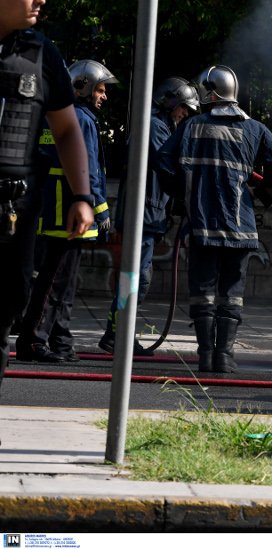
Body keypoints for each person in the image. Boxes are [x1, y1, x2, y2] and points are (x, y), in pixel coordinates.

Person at [157, 65, 272, 374]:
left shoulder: (191, 127)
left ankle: (205, 355)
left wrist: (182, 194)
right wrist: (263, 193)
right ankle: (225, 357)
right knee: (232, 294)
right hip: (240, 227)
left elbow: (163, 161)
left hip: (202, 224)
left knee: (202, 290)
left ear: (211, 92)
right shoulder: (255, 129)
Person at [0, 0, 94, 399]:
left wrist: (82, 195)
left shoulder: (41, 54)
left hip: (12, 212)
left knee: (5, 311)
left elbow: (68, 131)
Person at [14, 59, 116, 363]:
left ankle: (60, 339)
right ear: (82, 88)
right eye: (99, 89)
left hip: (54, 209)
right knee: (55, 282)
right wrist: (101, 210)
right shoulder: (81, 120)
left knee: (62, 282)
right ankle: (33, 341)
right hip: (69, 212)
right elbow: (89, 170)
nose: (104, 96)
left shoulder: (56, 116)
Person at [97, 76, 199, 356]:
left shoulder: (161, 126)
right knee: (136, 278)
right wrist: (188, 186)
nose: (184, 114)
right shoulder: (155, 127)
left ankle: (116, 333)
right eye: (183, 108)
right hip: (142, 213)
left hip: (149, 214)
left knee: (136, 277)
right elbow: (167, 165)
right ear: (169, 102)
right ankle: (117, 334)